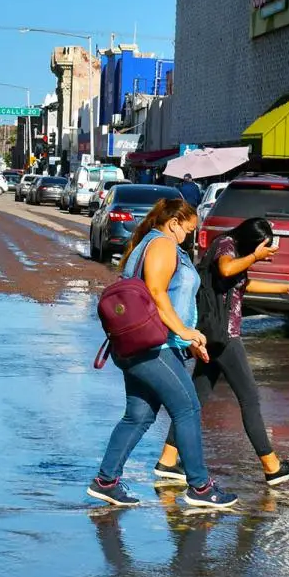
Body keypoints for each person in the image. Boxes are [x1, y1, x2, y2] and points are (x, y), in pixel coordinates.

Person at [88, 197, 238, 510]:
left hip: (140, 345)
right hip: (155, 346)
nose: (190, 236)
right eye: (188, 229)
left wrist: (189, 338)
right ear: (173, 223)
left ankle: (106, 481)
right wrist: (183, 333)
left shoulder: (148, 244)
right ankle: (199, 486)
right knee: (188, 408)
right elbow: (156, 294)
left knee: (138, 416)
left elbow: (167, 297)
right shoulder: (162, 245)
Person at [154, 217, 289, 488]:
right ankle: (272, 466)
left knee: (196, 399)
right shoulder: (226, 246)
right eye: (262, 247)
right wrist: (254, 256)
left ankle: (168, 460)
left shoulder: (233, 248)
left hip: (215, 334)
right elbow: (227, 270)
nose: (264, 253)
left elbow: (242, 285)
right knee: (249, 398)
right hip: (224, 335)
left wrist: (286, 288)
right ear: (251, 241)